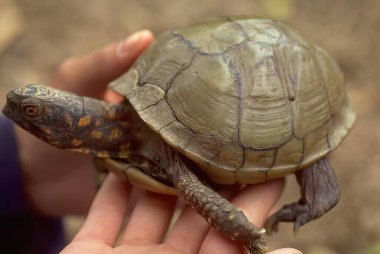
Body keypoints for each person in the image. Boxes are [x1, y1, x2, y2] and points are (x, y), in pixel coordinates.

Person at [0, 30, 301, 254]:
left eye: (32, 112)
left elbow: (197, 191)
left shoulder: (157, 146)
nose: (21, 112)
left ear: (72, 126)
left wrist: (248, 236)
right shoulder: (105, 145)